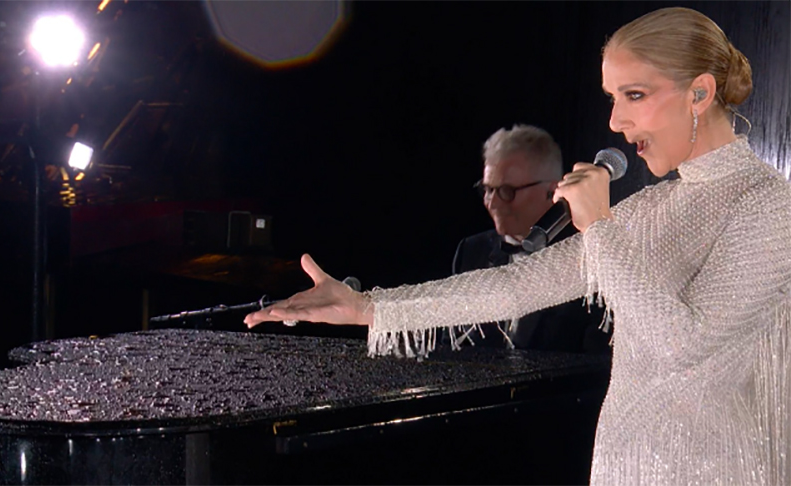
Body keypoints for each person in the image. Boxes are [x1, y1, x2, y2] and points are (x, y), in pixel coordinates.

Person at [245, 7, 790, 485]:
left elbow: (684, 346)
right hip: (622, 466)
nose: (616, 121)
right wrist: (368, 308)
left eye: (635, 95)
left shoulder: (770, 205)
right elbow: (517, 284)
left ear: (700, 92)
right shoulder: (648, 210)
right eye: (611, 98)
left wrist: (599, 226)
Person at [452, 124, 610, 352]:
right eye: (487, 190)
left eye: (507, 191)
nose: (492, 204)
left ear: (552, 192)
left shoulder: (591, 258)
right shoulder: (471, 250)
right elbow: (454, 347)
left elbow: (597, 363)